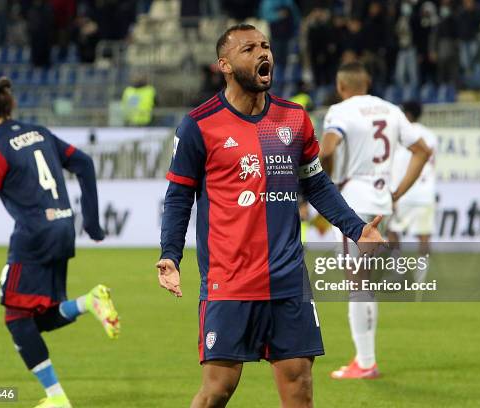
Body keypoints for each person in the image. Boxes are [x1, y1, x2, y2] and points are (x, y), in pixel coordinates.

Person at [157, 24, 385, 408]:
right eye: (249, 49)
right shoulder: (200, 124)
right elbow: (179, 196)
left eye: (265, 46)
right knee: (217, 390)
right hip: (229, 280)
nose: (263, 53)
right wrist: (170, 253)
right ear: (224, 65)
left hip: (287, 279)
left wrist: (357, 228)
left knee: (300, 388)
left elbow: (316, 184)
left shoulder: (293, 119)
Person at [0, 78, 120, 408]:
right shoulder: (39, 132)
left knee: (15, 318)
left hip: (34, 236)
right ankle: (90, 301)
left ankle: (57, 399)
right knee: (41, 317)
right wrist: (91, 222)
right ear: (9, 106)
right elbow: (84, 163)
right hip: (64, 228)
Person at [319, 62, 430, 379]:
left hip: (353, 202)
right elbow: (421, 151)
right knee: (363, 283)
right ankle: (365, 359)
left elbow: (327, 149)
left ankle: (365, 362)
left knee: (357, 283)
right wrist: (396, 193)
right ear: (366, 81)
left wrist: (326, 186)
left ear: (341, 86)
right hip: (382, 201)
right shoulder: (391, 109)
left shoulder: (340, 111)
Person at [388, 101, 437, 290]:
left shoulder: (403, 135)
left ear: (406, 114)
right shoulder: (431, 136)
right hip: (425, 193)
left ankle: (398, 271)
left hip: (405, 192)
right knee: (424, 237)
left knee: (392, 232)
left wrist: (394, 194)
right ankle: (421, 277)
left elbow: (398, 166)